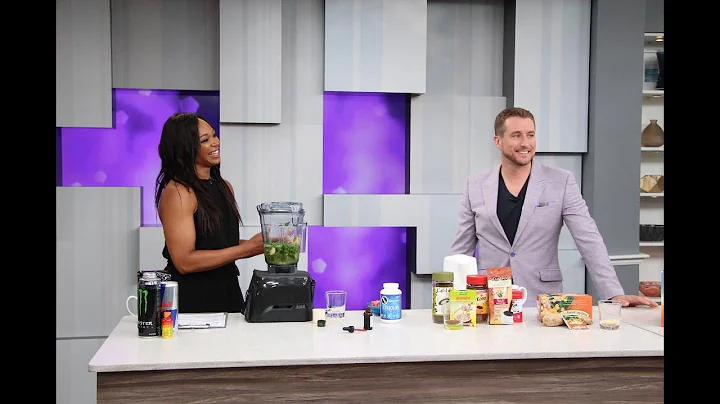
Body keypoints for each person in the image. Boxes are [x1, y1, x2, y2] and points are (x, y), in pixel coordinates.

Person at [449, 107, 658, 308]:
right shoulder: (474, 185)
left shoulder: (561, 181)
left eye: (530, 135)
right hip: (488, 300)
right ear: (498, 141)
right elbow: (461, 251)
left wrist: (613, 293)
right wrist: (452, 302)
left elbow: (589, 239)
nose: (525, 143)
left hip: (542, 300)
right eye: (516, 135)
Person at [154, 112, 264, 313]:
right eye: (205, 140)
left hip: (228, 293)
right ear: (185, 149)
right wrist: (247, 249)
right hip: (193, 301)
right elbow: (184, 262)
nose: (216, 143)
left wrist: (263, 244)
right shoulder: (179, 192)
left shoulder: (224, 187)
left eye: (214, 135)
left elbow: (219, 244)